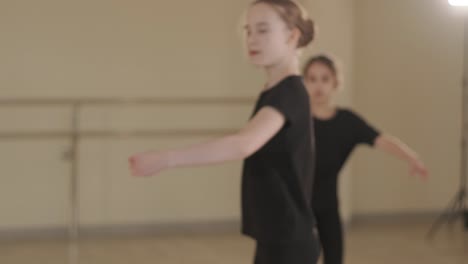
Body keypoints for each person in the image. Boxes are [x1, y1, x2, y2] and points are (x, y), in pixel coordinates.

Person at [129, 1, 320, 263]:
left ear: (292, 35)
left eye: (263, 30)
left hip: (290, 241)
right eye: (248, 30)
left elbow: (243, 144)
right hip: (277, 236)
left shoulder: (289, 93)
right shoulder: (274, 91)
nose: (252, 39)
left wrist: (167, 158)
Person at [303, 54, 429, 264]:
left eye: (325, 79)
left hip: (328, 207)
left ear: (335, 82)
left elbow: (380, 139)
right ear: (304, 82)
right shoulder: (297, 119)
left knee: (334, 259)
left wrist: (412, 157)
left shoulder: (347, 122)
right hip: (297, 208)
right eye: (312, 79)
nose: (319, 86)